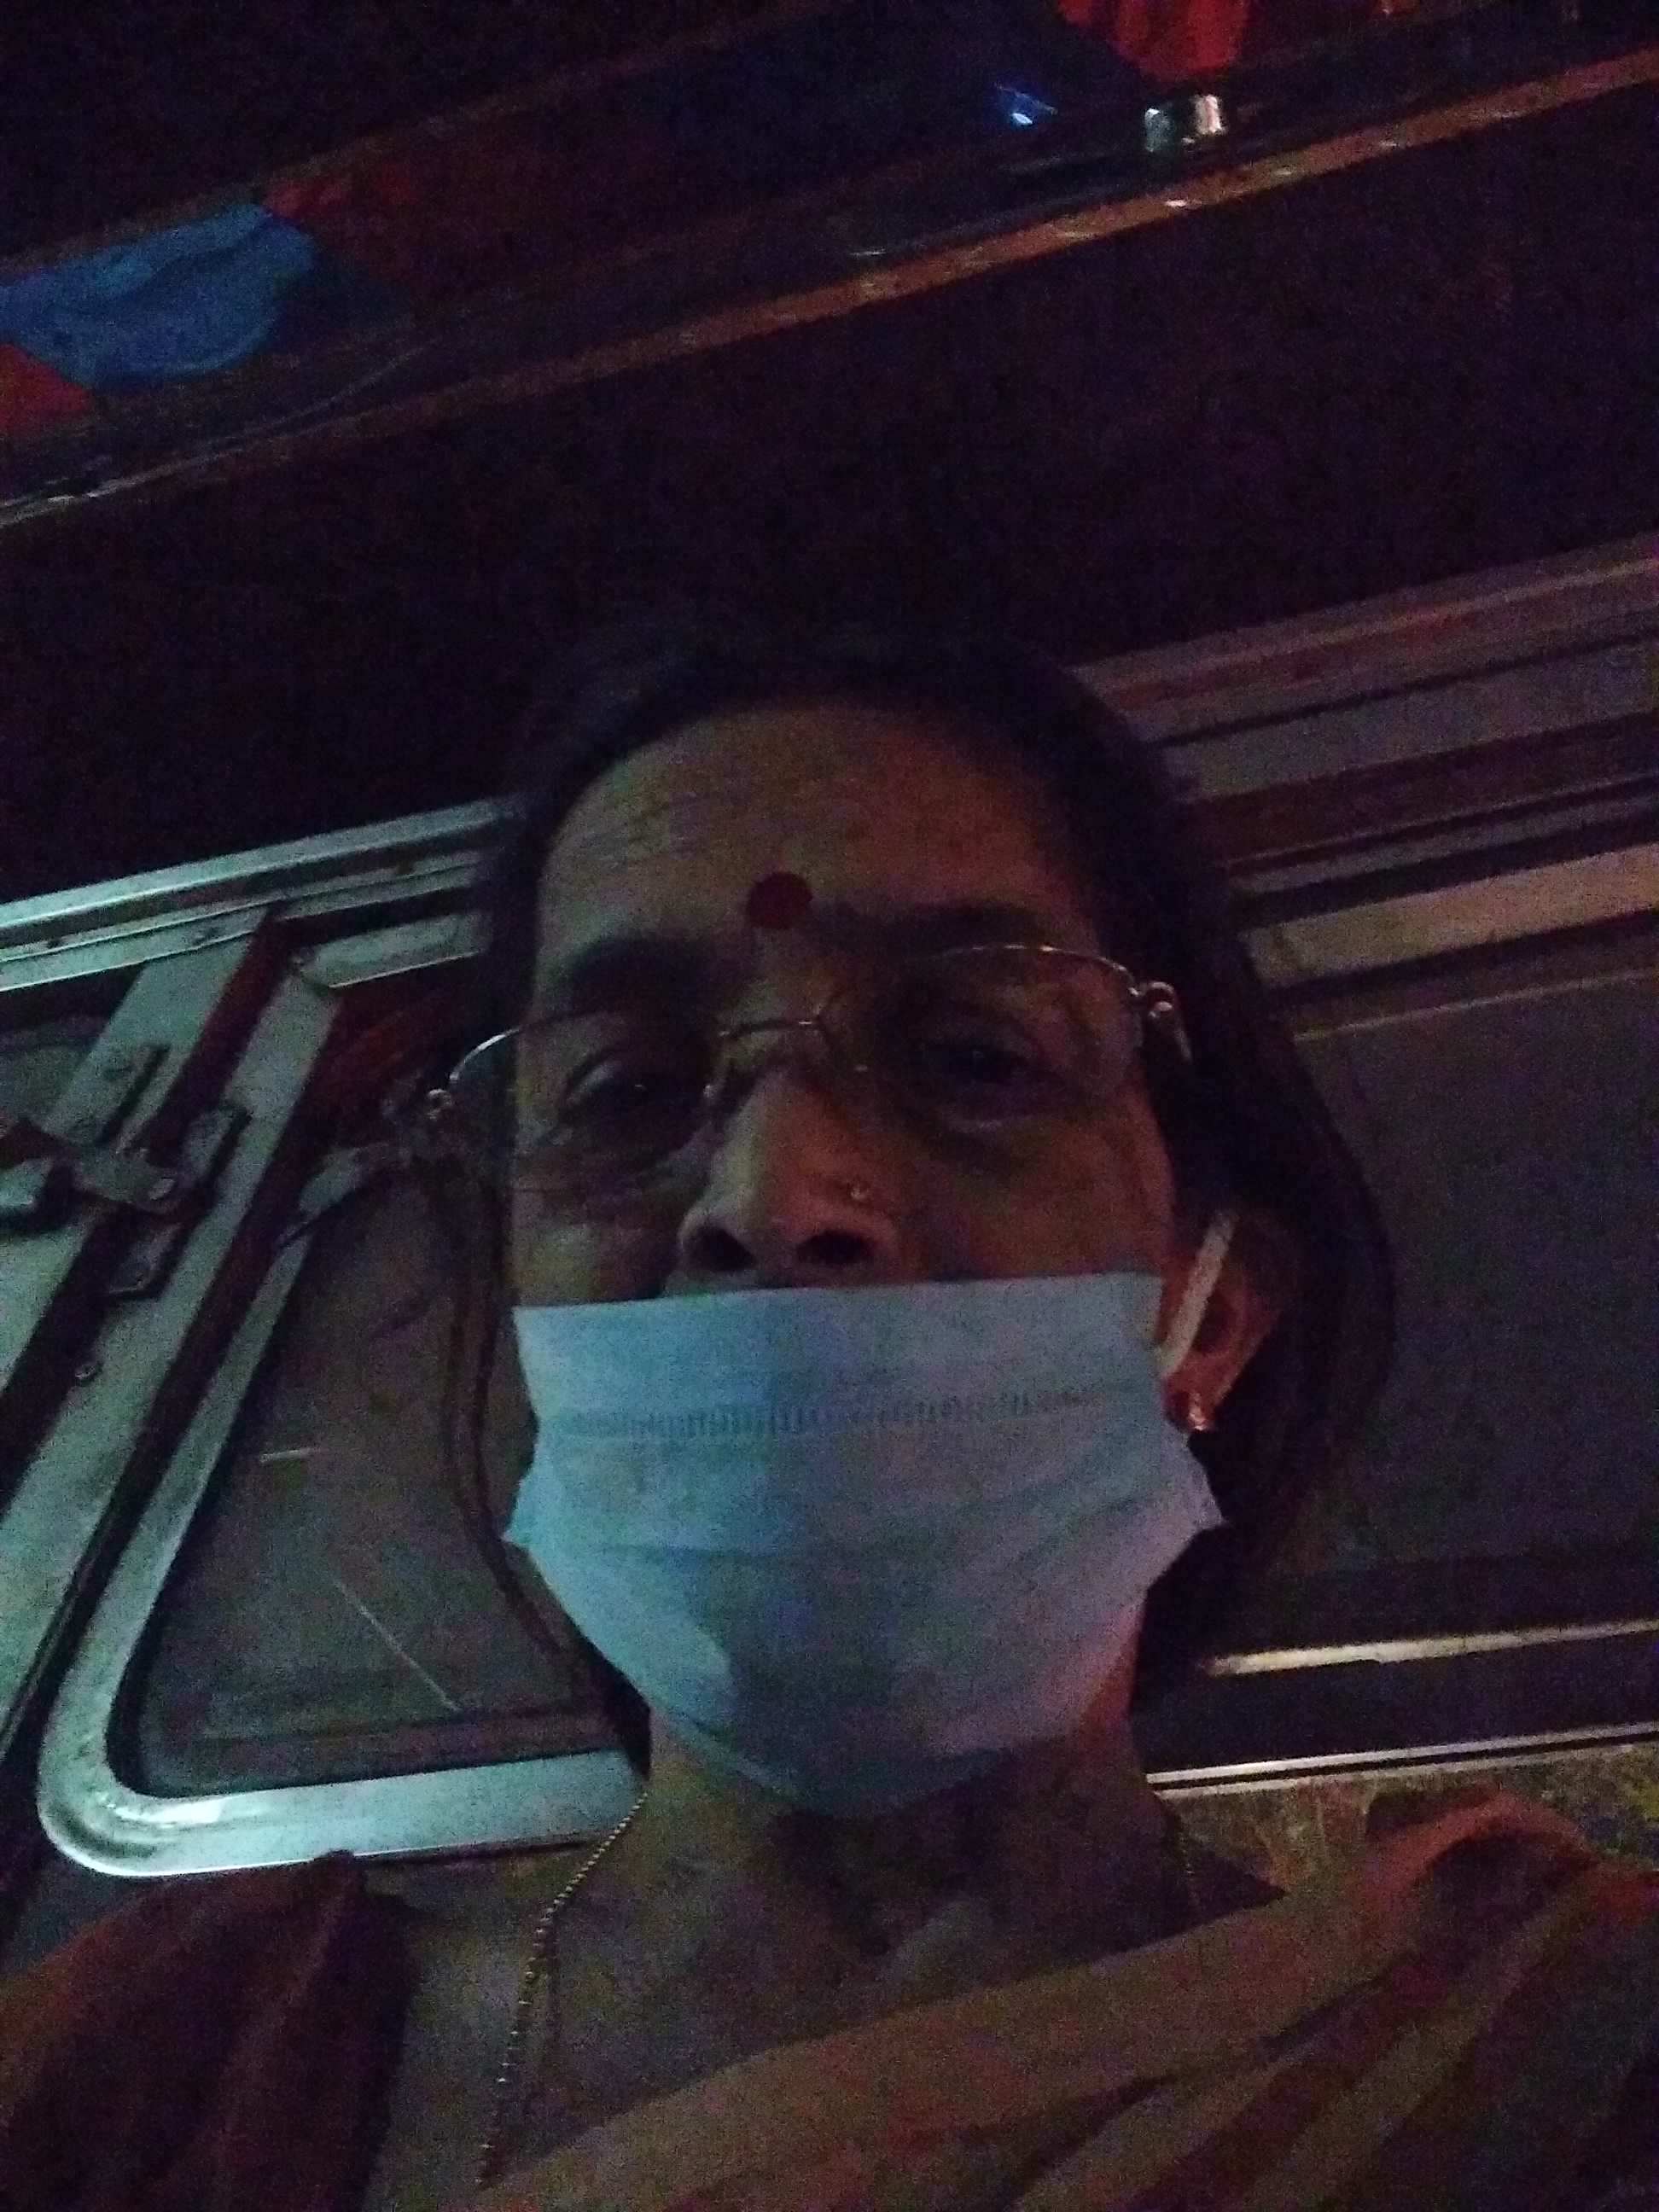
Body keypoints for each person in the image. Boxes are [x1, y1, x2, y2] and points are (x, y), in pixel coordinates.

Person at [2, 621, 1654, 2212]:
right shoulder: (155, 2071)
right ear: (523, 1337)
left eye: (974, 1057)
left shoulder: (1546, 2067)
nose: (773, 1193)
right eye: (625, 1090)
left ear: (1211, 1312)